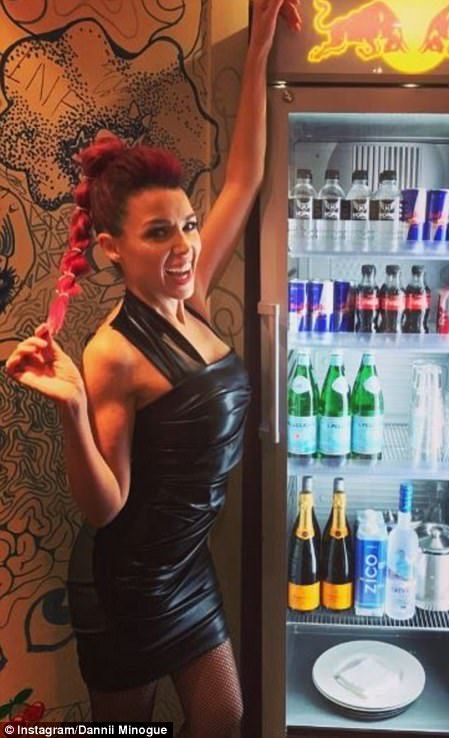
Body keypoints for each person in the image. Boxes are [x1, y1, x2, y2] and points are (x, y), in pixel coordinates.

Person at [4, 1, 302, 735]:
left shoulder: (191, 298)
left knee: (223, 715)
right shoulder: (112, 351)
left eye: (188, 225)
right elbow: (105, 507)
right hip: (128, 583)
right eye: (159, 232)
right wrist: (72, 409)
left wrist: (258, 51)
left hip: (188, 566)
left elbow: (244, 179)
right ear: (112, 248)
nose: (186, 245)